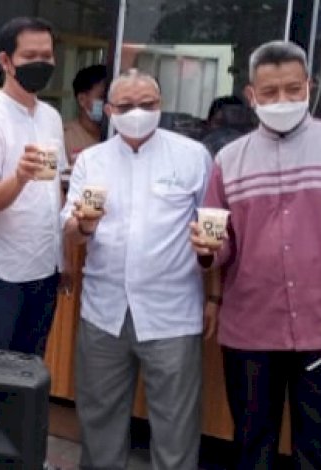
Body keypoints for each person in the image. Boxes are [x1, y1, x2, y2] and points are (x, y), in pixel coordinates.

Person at [189, 40, 321, 469]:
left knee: (320, 451)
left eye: (293, 89)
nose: (282, 101)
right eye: (270, 93)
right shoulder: (229, 160)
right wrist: (207, 251)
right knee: (252, 448)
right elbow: (222, 245)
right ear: (251, 95)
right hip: (249, 329)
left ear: (309, 86)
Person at [66, 70, 211, 470]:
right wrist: (83, 225)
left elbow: (214, 231)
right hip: (103, 314)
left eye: (147, 104)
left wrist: (214, 295)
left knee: (175, 431)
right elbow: (70, 232)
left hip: (172, 315)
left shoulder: (192, 156)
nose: (137, 113)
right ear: (109, 110)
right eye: (126, 106)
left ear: (160, 105)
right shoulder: (91, 161)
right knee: (99, 425)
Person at [0, 16, 65, 357]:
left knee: (31, 367)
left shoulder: (51, 116)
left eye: (47, 56)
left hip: (44, 265)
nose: (41, 64)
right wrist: (20, 177)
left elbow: (55, 192)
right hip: (0, 269)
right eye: (30, 55)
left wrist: (63, 259)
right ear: (6, 61)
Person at [63, 64, 106, 165]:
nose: (108, 102)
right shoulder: (64, 137)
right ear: (82, 99)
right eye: (102, 97)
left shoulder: (118, 135)